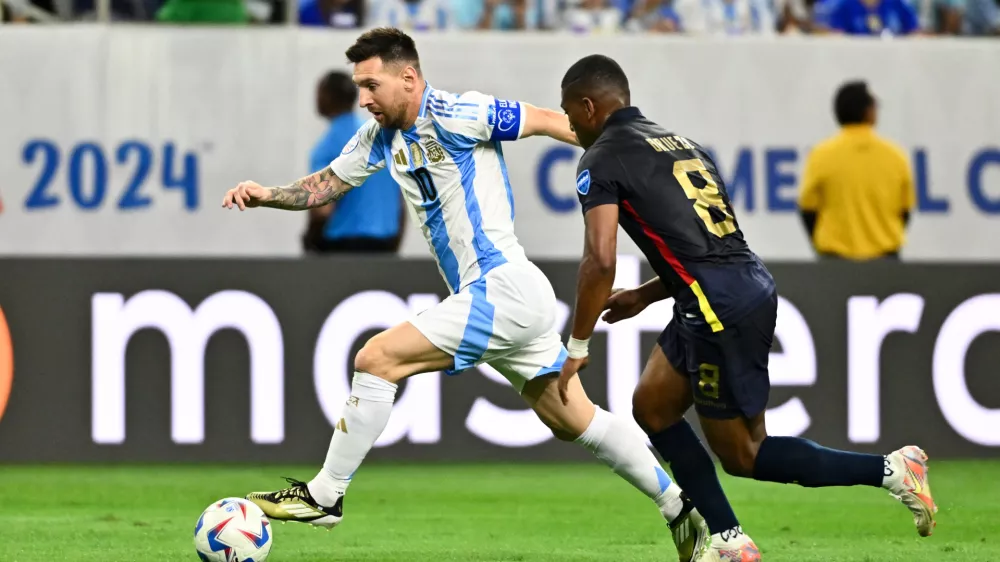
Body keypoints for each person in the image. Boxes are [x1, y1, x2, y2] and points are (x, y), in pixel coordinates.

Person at [223, 28, 712, 562]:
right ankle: (680, 509)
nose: (363, 98)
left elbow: (555, 121)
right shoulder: (377, 138)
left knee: (376, 358)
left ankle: (324, 495)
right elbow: (324, 186)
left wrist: (639, 152)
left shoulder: (462, 112)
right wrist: (267, 194)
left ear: (408, 76)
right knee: (575, 418)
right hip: (507, 299)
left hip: (501, 287)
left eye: (371, 84)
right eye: (359, 86)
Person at [556, 54, 938, 561]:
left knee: (745, 452)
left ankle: (892, 470)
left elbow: (600, 260)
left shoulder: (601, 159)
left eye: (568, 113)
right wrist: (645, 294)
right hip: (730, 287)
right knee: (651, 404)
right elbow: (706, 246)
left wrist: (578, 344)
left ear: (588, 106)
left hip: (717, 305)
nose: (569, 125)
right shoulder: (681, 143)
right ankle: (728, 540)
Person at [797, 81, 916, 261]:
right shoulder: (895, 156)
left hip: (835, 261)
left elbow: (808, 209)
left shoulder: (820, 155)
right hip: (886, 262)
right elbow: (905, 210)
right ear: (869, 112)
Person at [303, 71, 403, 254]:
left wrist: (310, 239)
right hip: (386, 246)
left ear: (327, 97)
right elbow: (402, 199)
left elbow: (323, 209)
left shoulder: (327, 147)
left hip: (343, 249)